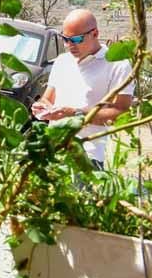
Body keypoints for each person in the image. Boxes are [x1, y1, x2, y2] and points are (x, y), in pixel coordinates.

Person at [31, 9, 134, 167]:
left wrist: (75, 114)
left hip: (88, 155)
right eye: (65, 39)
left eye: (77, 39)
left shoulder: (118, 65)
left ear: (95, 33)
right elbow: (48, 98)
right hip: (53, 149)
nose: (69, 45)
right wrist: (42, 107)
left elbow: (121, 113)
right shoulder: (62, 61)